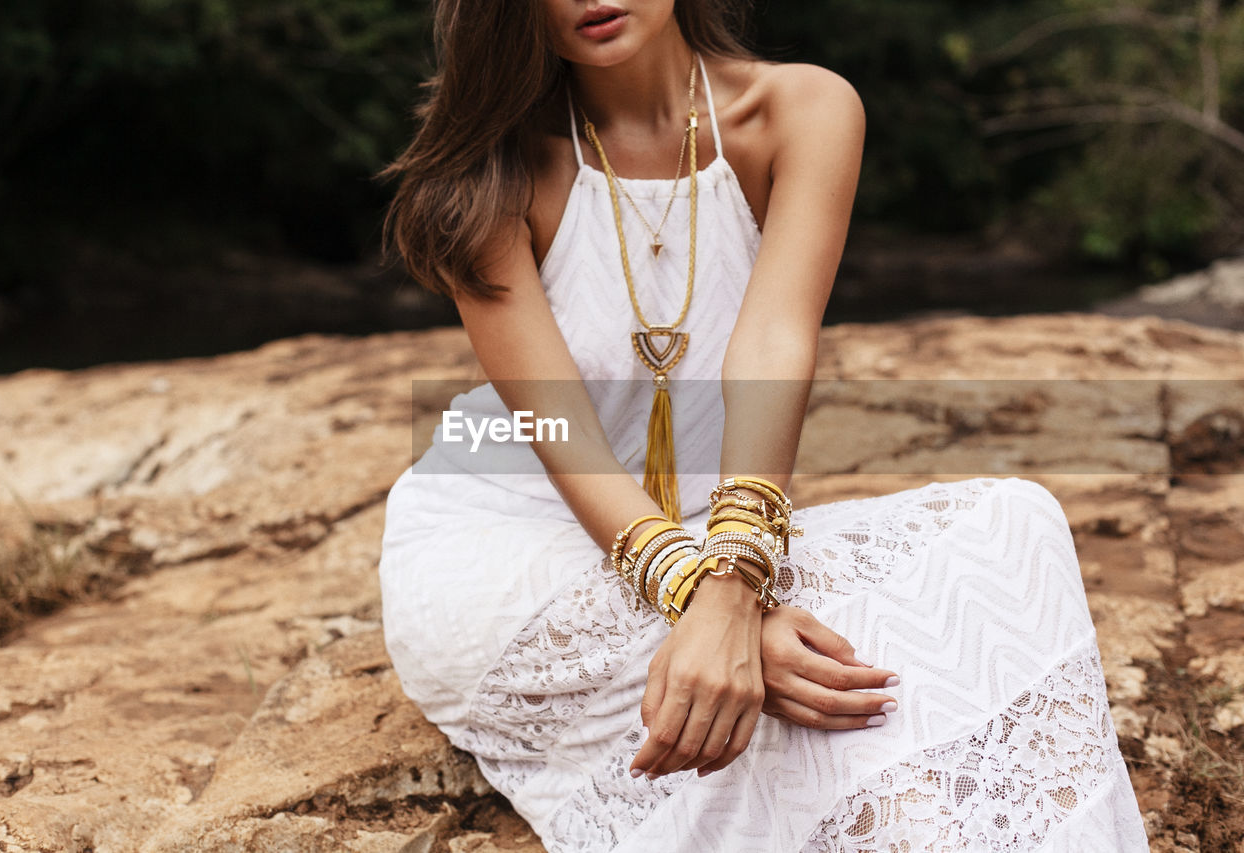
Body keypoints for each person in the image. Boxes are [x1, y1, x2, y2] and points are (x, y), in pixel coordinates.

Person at [376, 1, 1149, 849]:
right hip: (509, 543)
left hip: (711, 528)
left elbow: (773, 339)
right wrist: (704, 604)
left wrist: (736, 583)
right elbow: (561, 429)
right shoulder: (494, 170)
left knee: (1014, 525)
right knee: (771, 683)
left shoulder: (801, 111)